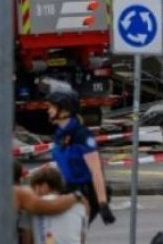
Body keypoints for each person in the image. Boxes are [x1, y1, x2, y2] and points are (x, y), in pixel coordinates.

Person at [46, 88, 115, 226]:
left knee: (73, 234)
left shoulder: (82, 136)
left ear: (64, 110)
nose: (48, 111)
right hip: (67, 190)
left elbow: (96, 171)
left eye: (51, 107)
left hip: (85, 192)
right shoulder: (59, 134)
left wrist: (103, 203)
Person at [14, 161, 80, 244]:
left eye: (34, 189)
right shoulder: (78, 206)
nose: (33, 193)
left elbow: (27, 238)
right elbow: (51, 206)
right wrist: (76, 196)